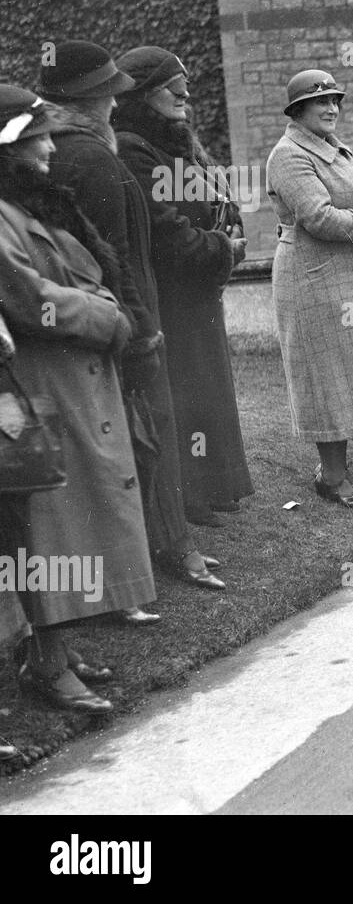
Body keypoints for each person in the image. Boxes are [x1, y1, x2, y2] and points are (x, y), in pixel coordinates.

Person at [0, 85, 156, 712]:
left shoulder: (34, 202)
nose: (48, 147)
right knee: (49, 528)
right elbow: (23, 294)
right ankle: (48, 660)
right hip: (43, 384)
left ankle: (55, 651)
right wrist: (105, 316)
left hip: (76, 378)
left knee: (77, 519)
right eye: (35, 137)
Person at [40, 41, 183, 620]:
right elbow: (111, 255)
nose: (116, 105)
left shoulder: (71, 152)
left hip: (95, 325)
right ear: (92, 100)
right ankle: (121, 587)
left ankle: (129, 574)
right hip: (114, 325)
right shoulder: (91, 157)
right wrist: (140, 329)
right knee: (122, 455)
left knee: (110, 455)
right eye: (108, 95)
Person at [112, 47, 250, 580]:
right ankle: (190, 497)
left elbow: (216, 193)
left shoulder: (179, 144)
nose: (185, 98)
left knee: (207, 387)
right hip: (170, 292)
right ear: (142, 92)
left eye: (187, 88)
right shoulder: (134, 149)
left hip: (197, 289)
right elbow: (167, 229)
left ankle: (212, 489)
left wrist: (228, 226)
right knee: (185, 390)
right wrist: (221, 247)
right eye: (173, 89)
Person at [266, 69, 353, 509]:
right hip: (315, 279)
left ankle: (336, 471)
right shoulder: (288, 155)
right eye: (319, 102)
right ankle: (332, 478)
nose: (330, 109)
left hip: (350, 275)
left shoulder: (331, 149)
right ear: (297, 110)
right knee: (326, 379)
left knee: (349, 376)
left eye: (335, 101)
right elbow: (318, 217)